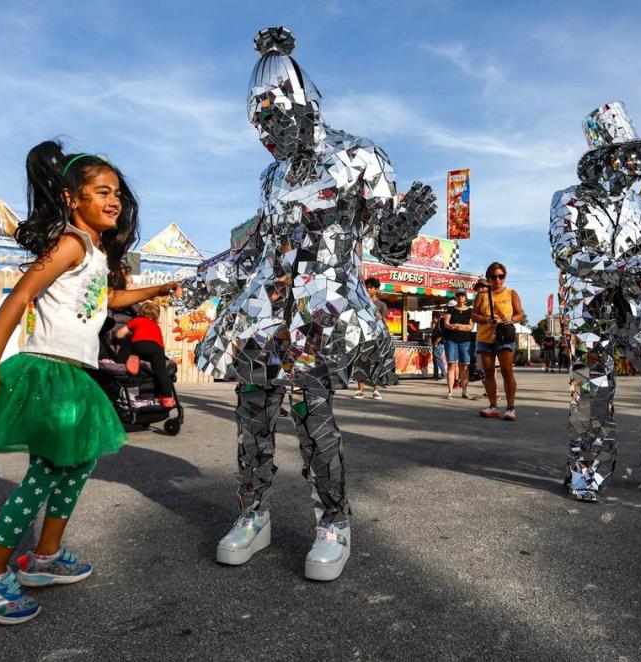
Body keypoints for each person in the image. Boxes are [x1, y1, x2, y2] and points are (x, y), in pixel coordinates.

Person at [177, 27, 436, 582]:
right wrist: (209, 278)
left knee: (312, 416)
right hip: (263, 318)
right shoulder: (271, 177)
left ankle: (333, 522)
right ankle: (253, 514)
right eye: (259, 127)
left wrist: (404, 225)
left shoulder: (359, 157)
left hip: (320, 318)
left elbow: (386, 247)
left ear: (304, 107)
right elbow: (262, 251)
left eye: (275, 122)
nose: (267, 137)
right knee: (251, 417)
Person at [0, 142, 178, 624]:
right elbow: (19, 296)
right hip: (51, 370)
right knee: (47, 472)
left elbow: (105, 300)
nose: (114, 201)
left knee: (78, 465)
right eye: (101, 191)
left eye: (117, 193)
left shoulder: (92, 251)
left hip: (75, 374)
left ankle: (45, 558)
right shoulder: (71, 243)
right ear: (73, 198)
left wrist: (157, 289)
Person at [549, 101, 641, 502]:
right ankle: (586, 470)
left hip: (636, 306)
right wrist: (619, 269)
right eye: (630, 155)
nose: (638, 163)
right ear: (606, 159)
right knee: (594, 387)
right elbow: (566, 254)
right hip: (589, 306)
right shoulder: (569, 199)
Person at [472, 262, 524, 420]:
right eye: (494, 277)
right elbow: (473, 315)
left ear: (505, 277)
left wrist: (511, 319)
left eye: (501, 276)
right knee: (488, 372)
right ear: (488, 278)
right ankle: (493, 406)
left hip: (504, 337)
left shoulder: (511, 293)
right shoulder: (482, 295)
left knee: (507, 371)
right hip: (485, 337)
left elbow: (520, 314)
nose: (497, 279)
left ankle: (511, 408)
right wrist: (487, 319)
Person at [117, 301, 176, 407]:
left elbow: (120, 333)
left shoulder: (136, 321)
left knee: (129, 341)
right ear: (156, 316)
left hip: (139, 345)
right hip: (157, 348)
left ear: (141, 312)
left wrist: (118, 337)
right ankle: (167, 399)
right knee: (161, 372)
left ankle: (133, 357)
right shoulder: (156, 325)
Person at [355, 277, 389, 399]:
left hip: (377, 338)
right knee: (361, 363)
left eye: (371, 287)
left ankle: (376, 390)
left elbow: (385, 324)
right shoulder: (361, 303)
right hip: (363, 337)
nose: (368, 289)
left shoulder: (381, 305)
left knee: (376, 363)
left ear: (376, 289)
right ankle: (360, 390)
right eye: (367, 287)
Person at [443, 290, 474, 399]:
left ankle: (464, 391)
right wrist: (452, 326)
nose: (460, 297)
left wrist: (457, 326)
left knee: (465, 366)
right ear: (455, 297)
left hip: (465, 341)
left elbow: (470, 327)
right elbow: (446, 324)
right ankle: (450, 391)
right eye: (458, 295)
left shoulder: (470, 311)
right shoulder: (451, 309)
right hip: (451, 340)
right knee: (451, 364)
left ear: (466, 297)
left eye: (462, 295)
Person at [430, 310, 446, 380]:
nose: (432, 320)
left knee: (438, 359)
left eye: (433, 318)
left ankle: (444, 375)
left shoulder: (440, 324)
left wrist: (436, 343)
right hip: (435, 344)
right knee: (435, 360)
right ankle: (435, 375)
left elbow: (440, 335)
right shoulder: (436, 325)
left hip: (439, 344)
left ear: (436, 318)